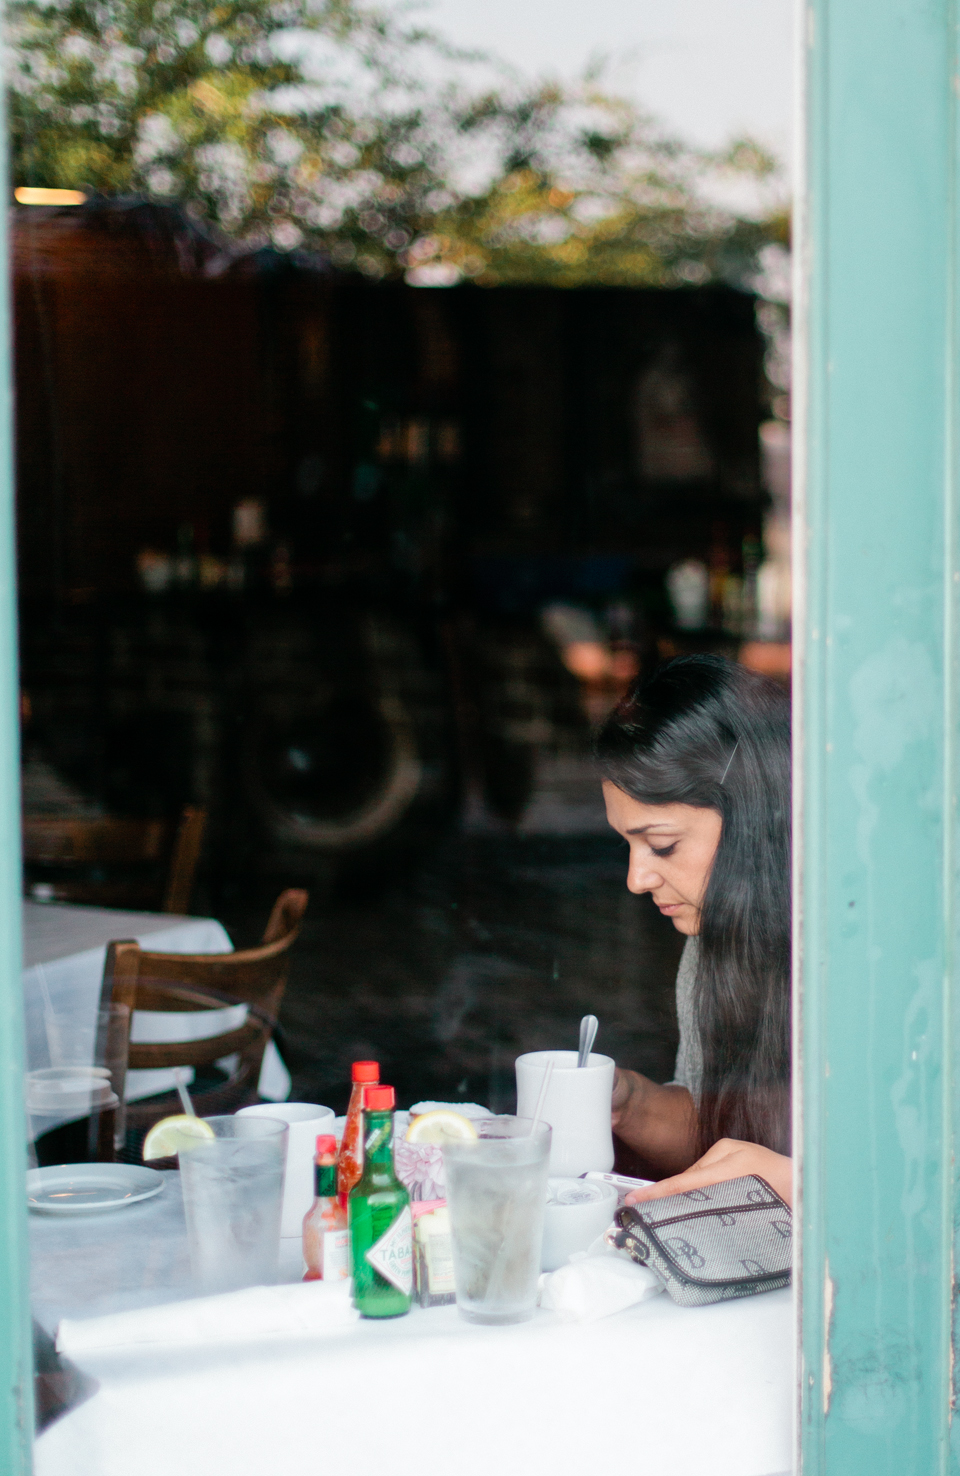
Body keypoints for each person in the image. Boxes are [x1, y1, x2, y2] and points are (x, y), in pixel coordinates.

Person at [596, 653, 792, 1206]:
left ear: (755, 817)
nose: (637, 878)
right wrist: (628, 1103)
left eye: (662, 845)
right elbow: (722, 1137)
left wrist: (809, 1189)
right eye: (627, 845)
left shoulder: (885, 946)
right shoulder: (714, 940)